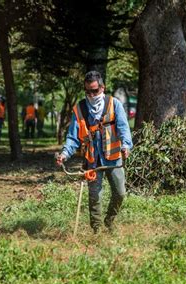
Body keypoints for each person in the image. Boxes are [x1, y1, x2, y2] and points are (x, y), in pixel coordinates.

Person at [56, 71, 133, 234]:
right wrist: (64, 153)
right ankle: (97, 230)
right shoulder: (80, 109)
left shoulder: (114, 104)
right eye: (88, 91)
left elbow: (123, 128)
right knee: (94, 197)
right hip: (92, 160)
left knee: (120, 193)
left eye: (94, 91)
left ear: (102, 88)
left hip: (113, 158)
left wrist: (126, 145)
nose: (91, 95)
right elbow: (73, 137)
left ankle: (109, 219)